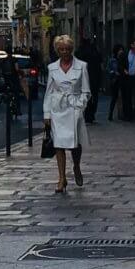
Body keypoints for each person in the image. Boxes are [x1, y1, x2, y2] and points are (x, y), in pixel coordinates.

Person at [43, 34, 90, 192]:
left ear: (72, 50)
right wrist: (47, 114)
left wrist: (80, 105)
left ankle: (76, 165)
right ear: (57, 50)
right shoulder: (52, 68)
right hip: (58, 109)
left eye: (68, 49)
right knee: (59, 144)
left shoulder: (82, 66)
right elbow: (49, 92)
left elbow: (86, 91)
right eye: (61, 49)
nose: (65, 52)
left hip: (74, 108)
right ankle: (61, 178)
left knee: (75, 144)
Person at [79, 38, 102, 124]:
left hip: (85, 78)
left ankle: (87, 115)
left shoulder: (81, 51)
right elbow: (100, 61)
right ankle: (91, 115)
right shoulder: (95, 51)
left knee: (86, 97)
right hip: (95, 78)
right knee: (94, 97)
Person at [107, 44, 125, 122]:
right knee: (114, 97)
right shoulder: (112, 60)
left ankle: (122, 114)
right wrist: (114, 72)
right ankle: (110, 114)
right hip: (115, 80)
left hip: (122, 79)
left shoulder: (123, 59)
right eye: (119, 49)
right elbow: (108, 69)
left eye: (122, 49)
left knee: (123, 96)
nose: (121, 51)